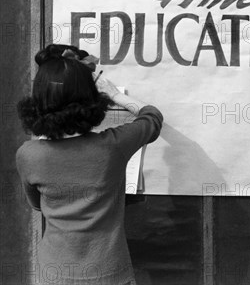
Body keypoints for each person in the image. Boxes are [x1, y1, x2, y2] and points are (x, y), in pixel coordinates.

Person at [15, 44, 163, 285]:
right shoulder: (113, 146)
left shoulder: (28, 155)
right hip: (110, 271)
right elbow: (152, 117)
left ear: (38, 100)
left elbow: (37, 204)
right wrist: (115, 95)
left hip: (53, 272)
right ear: (91, 99)